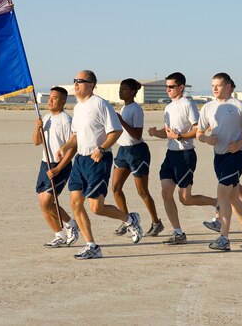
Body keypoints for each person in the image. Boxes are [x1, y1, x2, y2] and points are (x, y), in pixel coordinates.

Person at [57, 70, 143, 260]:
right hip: (80, 159)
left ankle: (130, 219)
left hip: (98, 160)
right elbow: (76, 136)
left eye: (80, 81)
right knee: (75, 202)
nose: (76, 84)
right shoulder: (78, 107)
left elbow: (115, 131)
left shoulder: (100, 104)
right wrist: (65, 147)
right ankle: (91, 245)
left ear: (91, 84)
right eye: (74, 80)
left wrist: (102, 148)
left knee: (96, 207)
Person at [148, 72, 218, 245]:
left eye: (171, 87)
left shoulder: (187, 104)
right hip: (170, 154)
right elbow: (169, 133)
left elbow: (197, 130)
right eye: (166, 87)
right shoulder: (168, 107)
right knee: (166, 193)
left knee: (185, 199)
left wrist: (179, 137)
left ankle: (218, 203)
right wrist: (156, 133)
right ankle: (178, 232)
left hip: (185, 155)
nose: (168, 90)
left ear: (181, 87)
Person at [197, 72, 242, 251]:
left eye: (218, 85)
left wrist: (240, 143)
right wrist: (206, 139)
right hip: (219, 157)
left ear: (228, 86)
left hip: (237, 155)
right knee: (232, 197)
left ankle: (224, 238)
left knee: (222, 193)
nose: (214, 89)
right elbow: (199, 133)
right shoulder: (208, 107)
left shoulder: (239, 105)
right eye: (212, 86)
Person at [112, 78, 164, 237]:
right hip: (122, 151)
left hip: (137, 152)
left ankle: (156, 223)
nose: (121, 91)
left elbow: (137, 134)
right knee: (115, 188)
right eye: (120, 88)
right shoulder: (123, 108)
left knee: (142, 191)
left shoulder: (136, 109)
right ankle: (127, 220)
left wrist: (120, 121)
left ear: (133, 92)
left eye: (124, 89)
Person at [32, 87, 79, 248]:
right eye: (49, 97)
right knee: (43, 203)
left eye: (55, 98)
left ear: (64, 100)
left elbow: (73, 147)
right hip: (45, 163)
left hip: (60, 165)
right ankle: (58, 235)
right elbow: (36, 141)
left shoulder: (66, 120)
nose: (50, 101)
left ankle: (71, 223)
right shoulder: (46, 118)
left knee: (47, 202)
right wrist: (37, 127)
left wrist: (59, 168)